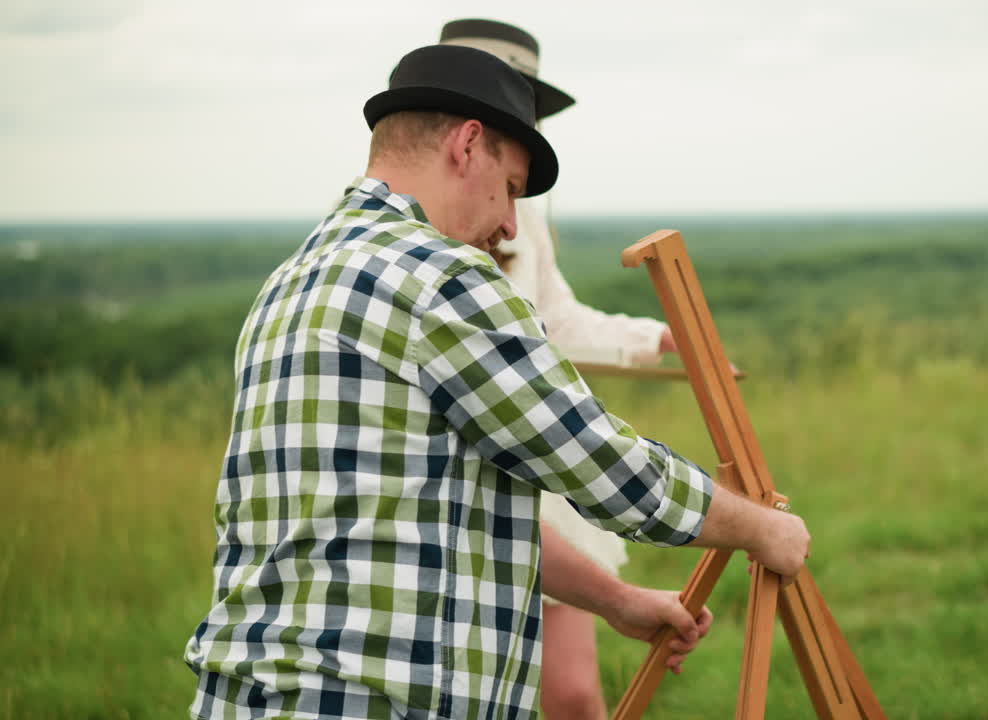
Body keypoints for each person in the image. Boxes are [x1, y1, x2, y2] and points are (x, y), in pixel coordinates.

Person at [183, 43, 809, 720]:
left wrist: (616, 600)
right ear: (468, 145)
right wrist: (757, 527)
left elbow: (445, 512)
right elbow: (597, 461)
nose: (511, 224)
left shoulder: (291, 281)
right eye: (510, 187)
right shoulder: (442, 278)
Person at [438, 18, 677, 720]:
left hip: (533, 467)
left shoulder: (523, 206)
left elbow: (553, 324)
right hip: (447, 467)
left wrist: (653, 337)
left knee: (573, 694)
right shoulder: (413, 208)